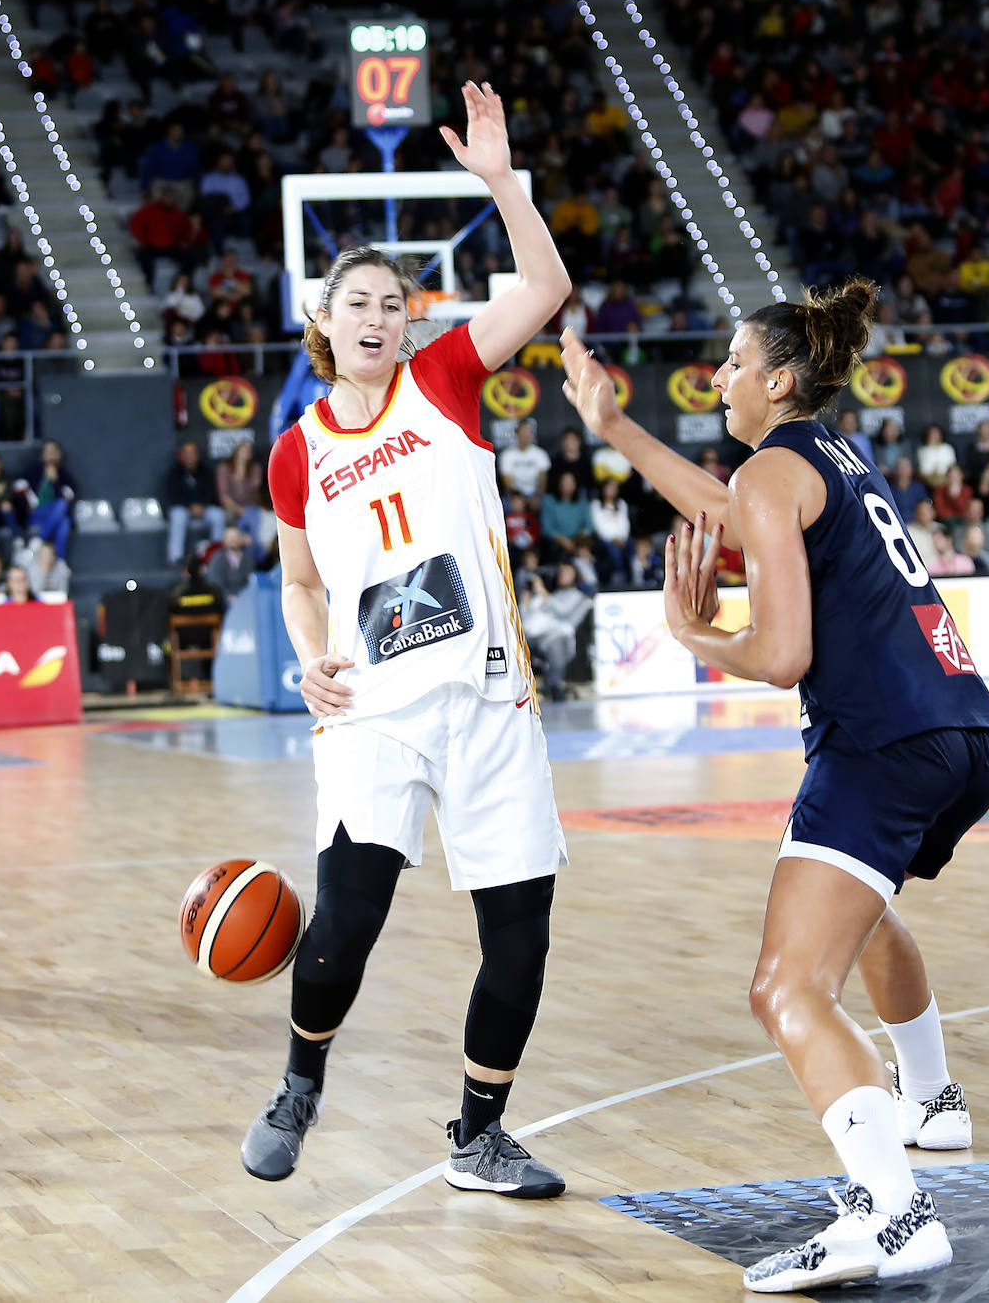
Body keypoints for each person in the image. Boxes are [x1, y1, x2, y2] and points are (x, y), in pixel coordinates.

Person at [560, 278, 989, 1291]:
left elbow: (786, 651)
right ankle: (931, 1101)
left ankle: (895, 1213)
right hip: (964, 726)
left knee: (786, 985)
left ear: (780, 379)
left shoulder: (772, 469)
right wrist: (616, 425)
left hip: (879, 740)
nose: (718, 375)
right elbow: (729, 509)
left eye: (732, 361)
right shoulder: (829, 457)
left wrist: (694, 635)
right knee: (861, 911)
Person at [244, 83, 572, 1200]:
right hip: (374, 711)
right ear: (324, 320)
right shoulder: (295, 453)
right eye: (360, 302)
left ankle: (479, 1135)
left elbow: (546, 285)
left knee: (520, 933)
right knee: (347, 917)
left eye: (397, 301)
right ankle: (300, 1083)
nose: (381, 316)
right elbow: (298, 581)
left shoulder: (444, 381)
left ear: (412, 322)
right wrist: (306, 657)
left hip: (488, 701)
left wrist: (500, 181)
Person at [520, 560, 593, 701]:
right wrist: (524, 604)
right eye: (561, 572)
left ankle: (554, 686)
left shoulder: (578, 596)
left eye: (567, 572)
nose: (563, 575)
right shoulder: (550, 595)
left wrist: (545, 594)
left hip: (561, 637)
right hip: (536, 635)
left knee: (557, 642)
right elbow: (528, 619)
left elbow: (563, 612)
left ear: (575, 576)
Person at [165, 440, 227, 565]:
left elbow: (212, 492)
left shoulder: (206, 471)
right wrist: (190, 506)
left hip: (204, 507)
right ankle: (176, 557)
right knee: (177, 516)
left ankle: (215, 555)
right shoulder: (174, 472)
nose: (190, 457)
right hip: (184, 508)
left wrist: (202, 505)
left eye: (192, 453)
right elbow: (173, 495)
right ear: (181, 456)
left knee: (218, 515)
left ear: (197, 455)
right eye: (186, 454)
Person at [497, 418, 551, 503]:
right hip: (514, 497)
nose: (525, 435)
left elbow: (542, 481)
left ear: (533, 435)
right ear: (516, 434)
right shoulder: (507, 455)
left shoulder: (541, 454)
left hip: (536, 495)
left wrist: (537, 497)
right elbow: (507, 482)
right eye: (523, 432)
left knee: (547, 502)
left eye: (528, 432)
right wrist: (518, 498)